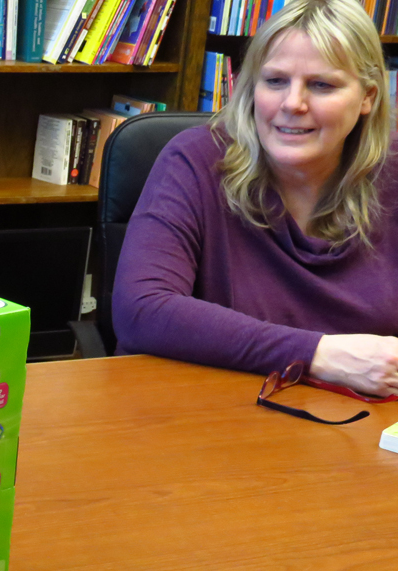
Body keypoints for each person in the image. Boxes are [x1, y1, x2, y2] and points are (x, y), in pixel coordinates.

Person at [111, 0, 398, 396]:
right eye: (275, 80)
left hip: (359, 427)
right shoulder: (196, 160)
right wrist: (318, 353)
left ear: (367, 97)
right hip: (204, 413)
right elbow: (141, 309)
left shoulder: (393, 173)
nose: (292, 104)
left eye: (322, 85)